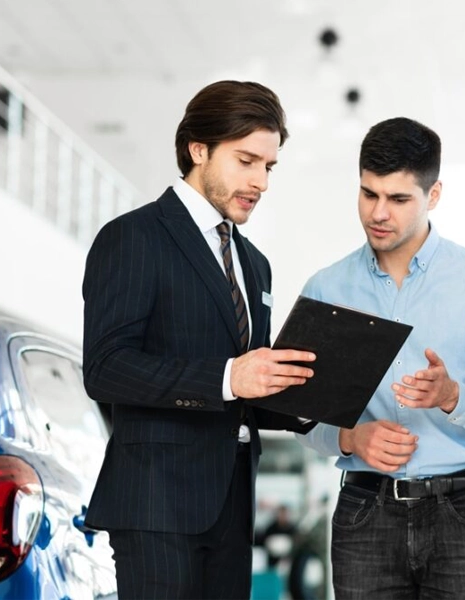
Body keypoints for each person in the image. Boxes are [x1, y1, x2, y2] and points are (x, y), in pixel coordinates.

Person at [81, 80, 317, 600]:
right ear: (198, 150)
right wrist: (229, 376)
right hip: (156, 504)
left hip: (232, 501)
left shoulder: (255, 264)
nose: (261, 182)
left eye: (268, 167)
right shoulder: (134, 238)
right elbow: (106, 367)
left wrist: (311, 394)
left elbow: (248, 388)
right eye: (246, 161)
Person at [296, 117, 465, 599]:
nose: (378, 213)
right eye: (368, 194)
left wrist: (452, 398)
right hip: (364, 514)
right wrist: (349, 437)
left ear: (433, 195)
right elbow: (304, 420)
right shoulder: (326, 289)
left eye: (398, 199)